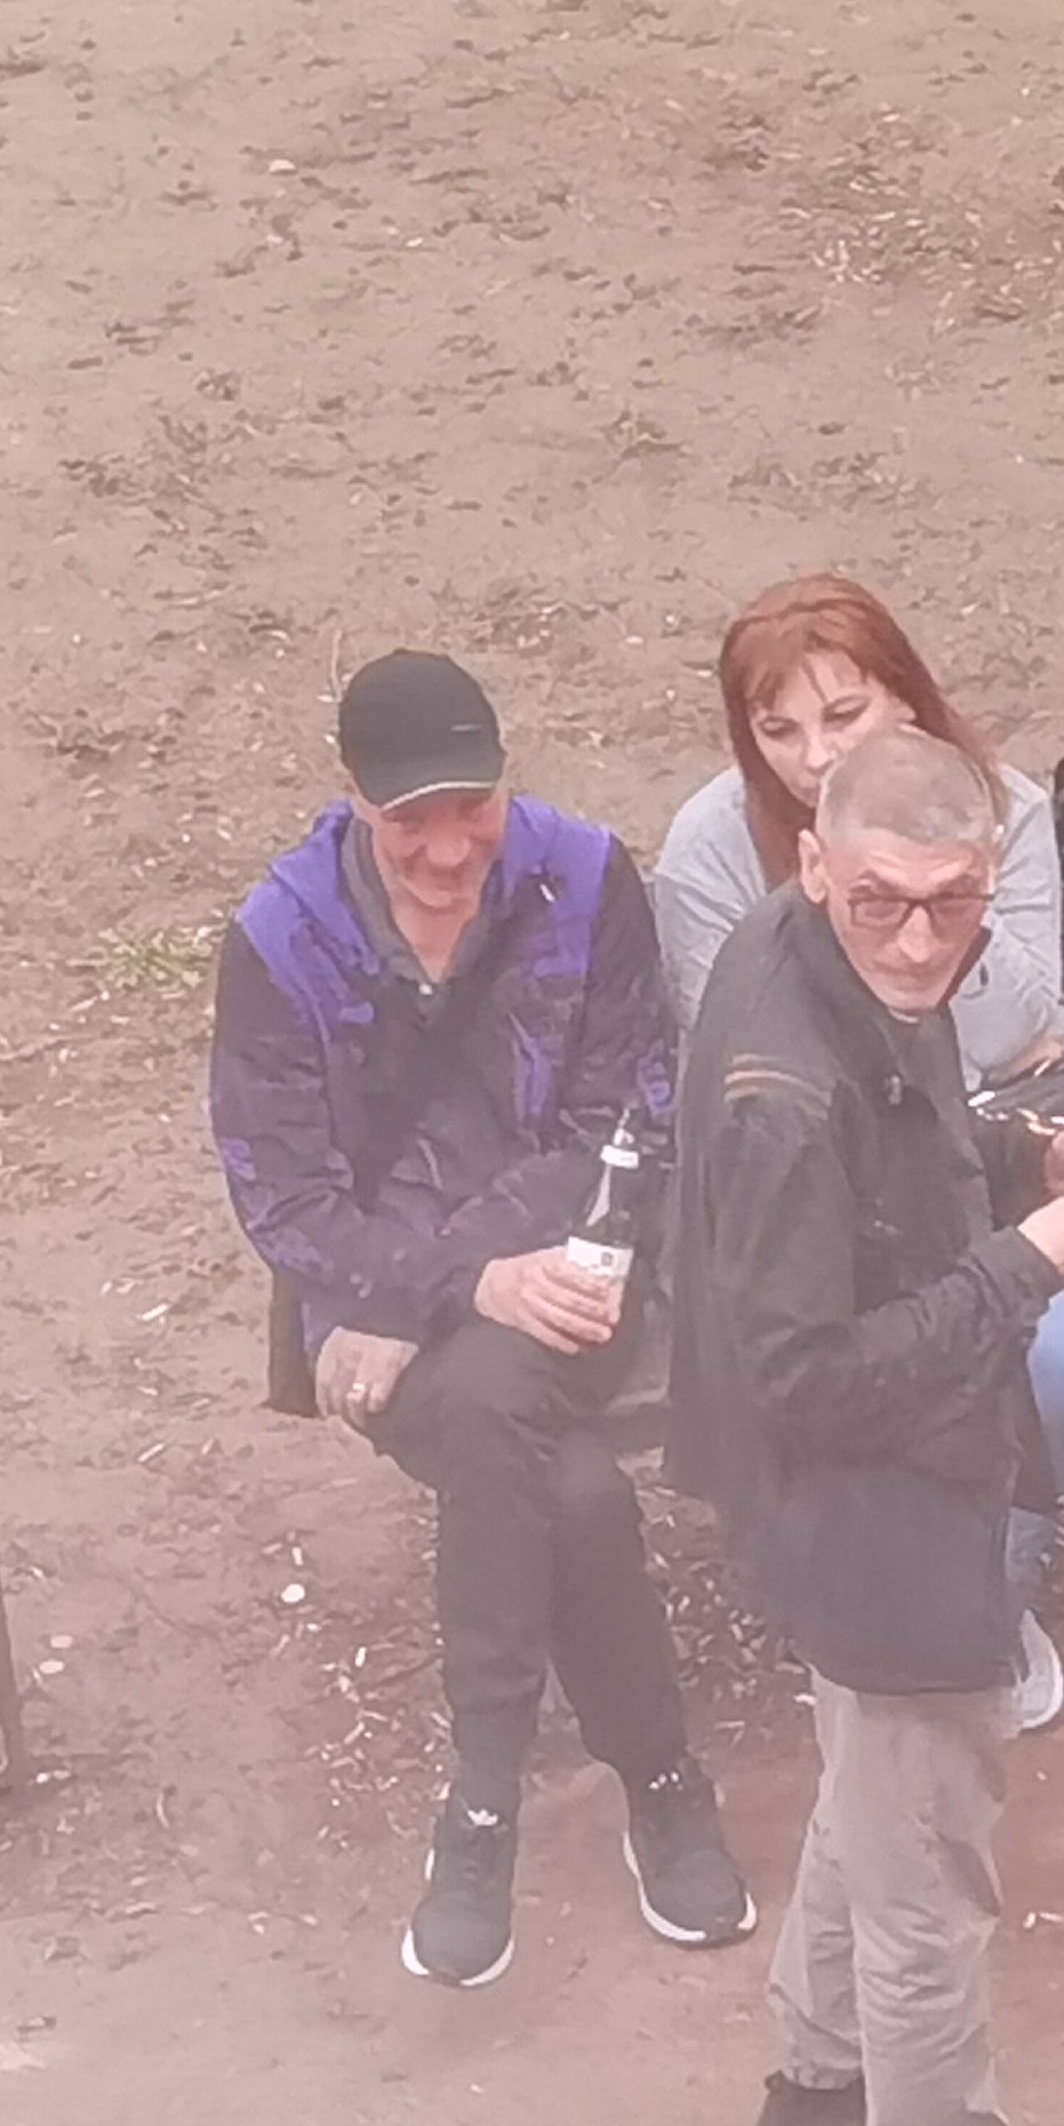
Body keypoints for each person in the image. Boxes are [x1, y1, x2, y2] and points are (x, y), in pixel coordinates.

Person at [669, 728, 1064, 2126]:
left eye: (952, 906)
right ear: (814, 861)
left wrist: (1035, 1154)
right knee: (927, 1883)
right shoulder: (782, 1090)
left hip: (848, 1493)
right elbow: (809, 1377)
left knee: (874, 1774)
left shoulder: (807, 955)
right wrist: (1032, 1260)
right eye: (882, 901)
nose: (916, 941)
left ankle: (816, 2075)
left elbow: (905, 1133)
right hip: (868, 1497)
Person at [212, 648, 754, 1989]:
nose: (450, 849)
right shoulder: (277, 938)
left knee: (507, 1404)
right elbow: (283, 1198)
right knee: (572, 1492)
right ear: (353, 798)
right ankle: (660, 1779)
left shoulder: (585, 876)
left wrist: (462, 1281)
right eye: (413, 820)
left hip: (555, 1278)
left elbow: (629, 1120)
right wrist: (456, 1286)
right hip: (390, 1310)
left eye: (475, 808)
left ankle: (482, 1805)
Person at [654, 575, 1064, 1736]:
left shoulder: (996, 807)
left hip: (991, 1132)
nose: (813, 758)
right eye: (778, 730)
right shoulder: (717, 855)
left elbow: (1013, 1017)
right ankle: (907, 1629)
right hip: (841, 1191)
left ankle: (995, 1590)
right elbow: (753, 1069)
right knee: (908, 1382)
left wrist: (928, 865)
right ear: (814, 874)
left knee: (1061, 1361)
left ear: (905, 699)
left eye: (844, 715)